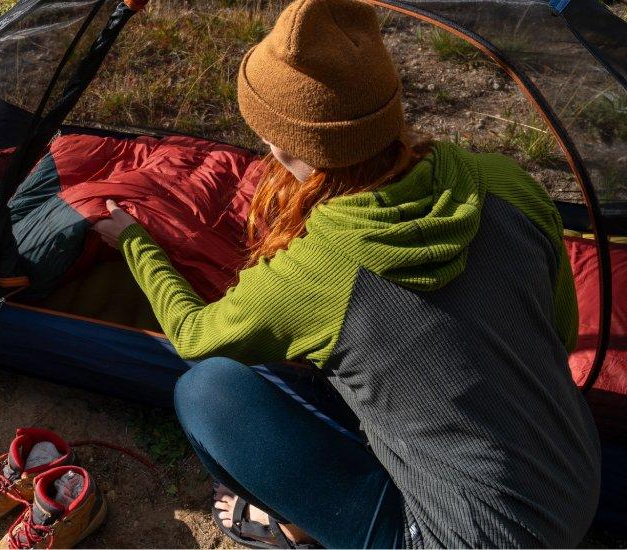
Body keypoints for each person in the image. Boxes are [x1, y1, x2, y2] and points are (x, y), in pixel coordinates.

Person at [91, 0, 602, 547]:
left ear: (286, 145)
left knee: (207, 393)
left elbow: (193, 336)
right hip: (575, 479)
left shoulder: (318, 272)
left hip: (467, 539)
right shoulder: (502, 181)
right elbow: (560, 335)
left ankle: (294, 526)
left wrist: (135, 243)